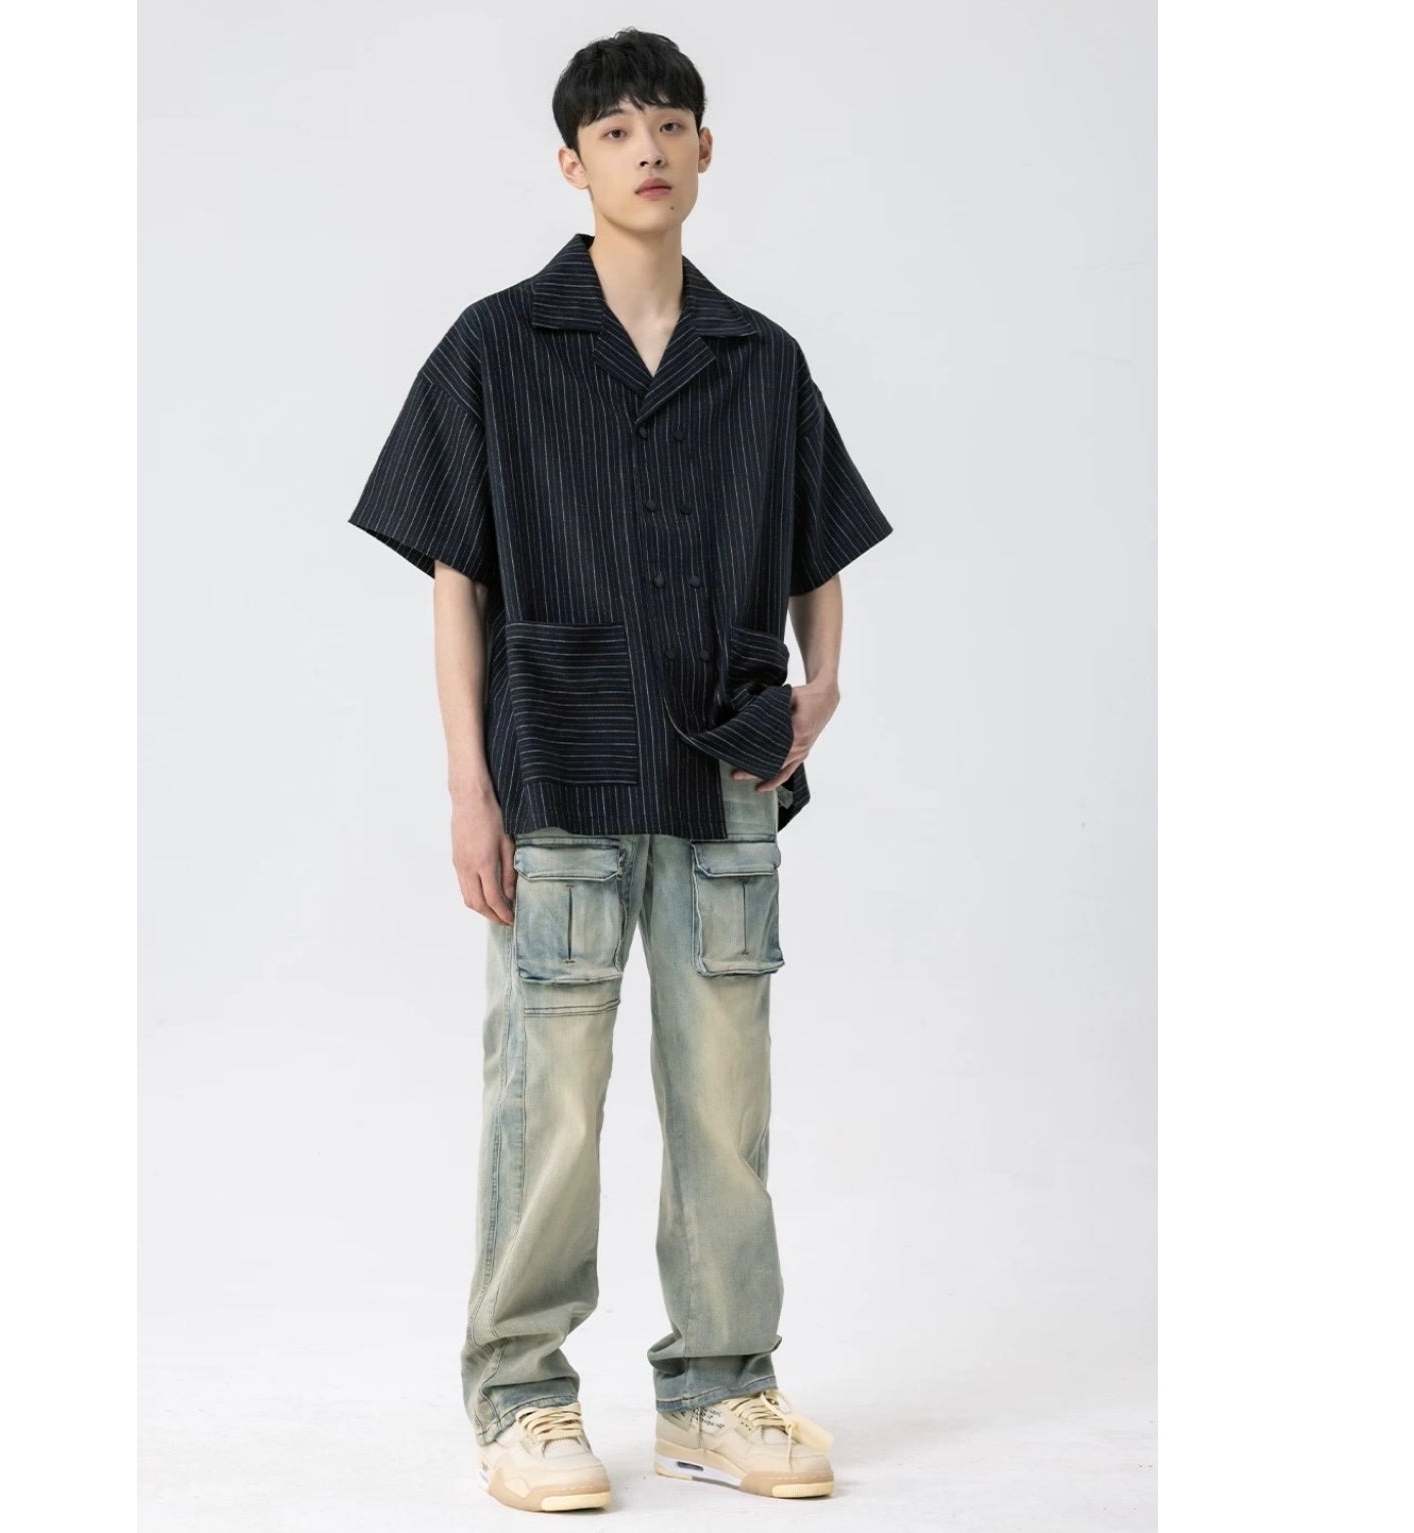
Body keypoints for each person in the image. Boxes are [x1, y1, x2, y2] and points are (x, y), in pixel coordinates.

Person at [347, 27, 893, 1513]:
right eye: (614, 130)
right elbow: (456, 579)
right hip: (560, 766)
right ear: (571, 162)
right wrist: (469, 789)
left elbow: (817, 539)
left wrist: (824, 678)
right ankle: (521, 1395)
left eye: (670, 124)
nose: (646, 148)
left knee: (724, 1100)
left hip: (725, 769)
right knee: (551, 1102)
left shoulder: (759, 358)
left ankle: (720, 1388)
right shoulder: (495, 345)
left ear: (706, 151)